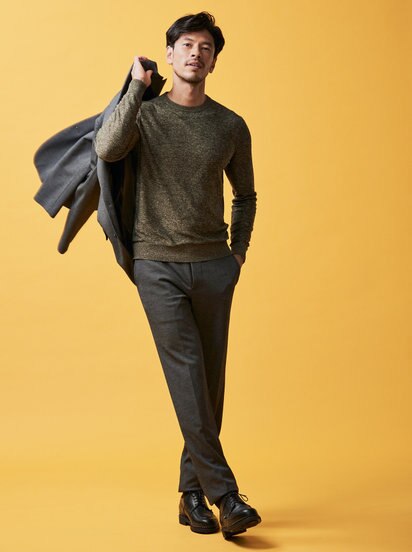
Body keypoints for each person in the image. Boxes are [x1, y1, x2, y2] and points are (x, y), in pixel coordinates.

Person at [94, 11, 260, 539]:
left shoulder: (230, 125)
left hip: (214, 266)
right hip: (157, 264)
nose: (195, 53)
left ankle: (191, 495)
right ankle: (226, 495)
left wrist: (237, 254)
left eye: (205, 47)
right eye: (186, 45)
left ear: (214, 60)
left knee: (208, 383)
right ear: (169, 55)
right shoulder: (144, 116)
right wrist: (135, 88)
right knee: (188, 373)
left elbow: (246, 195)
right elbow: (107, 148)